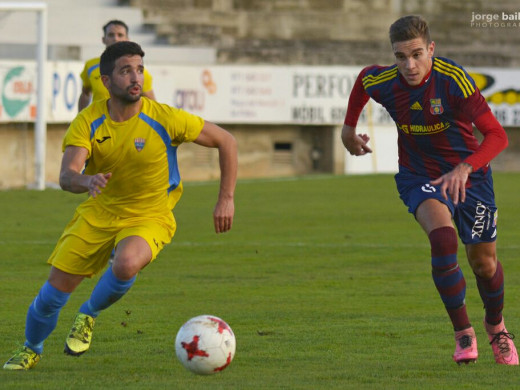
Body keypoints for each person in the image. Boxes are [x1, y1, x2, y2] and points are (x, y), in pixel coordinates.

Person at [3, 41, 237, 370]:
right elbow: (67, 175)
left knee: (126, 263)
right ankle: (31, 348)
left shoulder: (165, 118)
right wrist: (88, 180)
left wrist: (225, 198)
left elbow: (226, 140)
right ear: (106, 80)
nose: (135, 77)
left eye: (140, 69)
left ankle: (88, 314)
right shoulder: (88, 122)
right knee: (51, 296)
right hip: (99, 213)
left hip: (150, 215)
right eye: (126, 70)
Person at [341, 15, 518, 365]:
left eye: (417, 54)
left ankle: (496, 327)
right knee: (442, 239)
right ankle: (463, 334)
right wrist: (348, 130)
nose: (409, 65)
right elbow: (364, 80)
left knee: (484, 264)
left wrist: (465, 168)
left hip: (471, 177)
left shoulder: (453, 81)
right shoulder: (386, 81)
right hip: (418, 174)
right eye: (401, 56)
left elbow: (497, 136)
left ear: (431, 49)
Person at [78, 20, 156, 111]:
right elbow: (85, 94)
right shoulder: (90, 65)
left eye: (120, 35)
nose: (115, 39)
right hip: (98, 123)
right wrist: (79, 116)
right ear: (103, 39)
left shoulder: (139, 73)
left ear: (127, 39)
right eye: (111, 35)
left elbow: (152, 104)